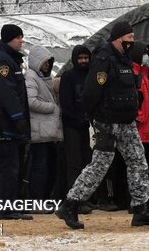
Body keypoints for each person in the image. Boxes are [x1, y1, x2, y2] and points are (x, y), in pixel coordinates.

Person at [56, 21, 149, 229]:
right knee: (99, 166)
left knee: (138, 162)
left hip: (126, 121)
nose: (132, 42)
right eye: (129, 38)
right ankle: (70, 205)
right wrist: (96, 119)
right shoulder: (103, 59)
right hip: (108, 122)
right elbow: (90, 92)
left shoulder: (123, 59)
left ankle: (140, 209)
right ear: (118, 38)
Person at [0, 24, 32, 221]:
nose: (21, 40)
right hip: (2, 124)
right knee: (6, 168)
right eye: (18, 37)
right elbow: (7, 92)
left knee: (10, 167)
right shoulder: (1, 61)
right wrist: (17, 117)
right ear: (8, 39)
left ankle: (6, 208)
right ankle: (5, 209)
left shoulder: (9, 59)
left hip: (5, 123)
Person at [25, 46, 63, 208]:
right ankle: (37, 201)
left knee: (49, 167)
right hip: (40, 133)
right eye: (45, 62)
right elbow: (30, 101)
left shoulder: (43, 78)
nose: (47, 65)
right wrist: (52, 108)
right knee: (40, 168)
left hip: (47, 132)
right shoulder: (31, 77)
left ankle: (45, 199)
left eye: (49, 62)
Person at [59, 45, 94, 213]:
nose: (83, 61)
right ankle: (73, 200)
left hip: (88, 125)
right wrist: (78, 119)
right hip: (72, 126)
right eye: (80, 58)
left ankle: (85, 198)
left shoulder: (91, 75)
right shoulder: (68, 77)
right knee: (74, 163)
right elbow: (65, 103)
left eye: (86, 58)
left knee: (88, 163)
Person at [129, 42, 149, 202]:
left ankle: (147, 200)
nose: (146, 56)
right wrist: (138, 116)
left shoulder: (144, 74)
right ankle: (139, 201)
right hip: (142, 131)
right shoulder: (135, 75)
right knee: (140, 168)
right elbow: (134, 99)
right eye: (143, 53)